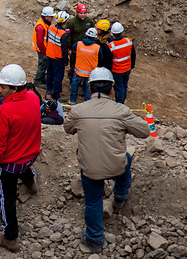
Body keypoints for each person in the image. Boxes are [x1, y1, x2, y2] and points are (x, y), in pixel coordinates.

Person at [64, 67, 150, 254]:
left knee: (93, 202)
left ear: (89, 88)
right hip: (116, 166)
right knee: (126, 157)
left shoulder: (78, 110)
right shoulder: (121, 110)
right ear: (111, 89)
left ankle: (94, 240)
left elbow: (67, 129)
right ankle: (120, 196)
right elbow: (144, 131)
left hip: (90, 170)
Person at [0, 65, 41, 253]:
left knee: (7, 197)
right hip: (30, 155)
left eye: (3, 87)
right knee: (24, 168)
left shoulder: (6, 110)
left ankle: (10, 237)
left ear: (15, 88)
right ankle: (31, 184)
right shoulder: (34, 98)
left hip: (10, 163)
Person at [69, 27, 102, 104]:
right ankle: (87, 103)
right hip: (90, 72)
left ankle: (72, 100)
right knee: (88, 88)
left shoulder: (79, 44)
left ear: (86, 35)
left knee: (75, 86)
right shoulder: (97, 47)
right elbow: (101, 58)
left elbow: (73, 48)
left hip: (78, 71)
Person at [108, 22, 136, 104]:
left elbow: (109, 60)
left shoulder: (111, 46)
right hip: (127, 68)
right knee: (124, 85)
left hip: (117, 70)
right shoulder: (129, 41)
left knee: (119, 87)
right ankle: (122, 101)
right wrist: (132, 65)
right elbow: (133, 55)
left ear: (113, 33)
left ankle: (120, 104)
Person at [45, 10, 70, 102]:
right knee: (58, 77)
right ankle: (56, 95)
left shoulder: (51, 27)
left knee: (49, 74)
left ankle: (48, 91)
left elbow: (48, 39)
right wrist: (66, 60)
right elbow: (64, 49)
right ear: (65, 21)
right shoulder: (64, 35)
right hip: (58, 58)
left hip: (49, 55)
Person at [66, 3, 94, 81]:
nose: (83, 15)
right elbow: (68, 36)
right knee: (73, 65)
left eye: (84, 13)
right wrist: (69, 48)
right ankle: (71, 80)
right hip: (75, 49)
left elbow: (93, 33)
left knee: (85, 66)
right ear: (77, 13)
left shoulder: (89, 21)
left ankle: (83, 82)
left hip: (86, 49)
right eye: (81, 13)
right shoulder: (72, 22)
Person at [31, 6, 55, 88]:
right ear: (46, 16)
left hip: (44, 48)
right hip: (42, 50)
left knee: (44, 65)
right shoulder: (41, 27)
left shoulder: (45, 23)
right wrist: (44, 53)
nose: (52, 18)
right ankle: (37, 80)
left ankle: (41, 78)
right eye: (51, 16)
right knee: (42, 65)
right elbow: (40, 42)